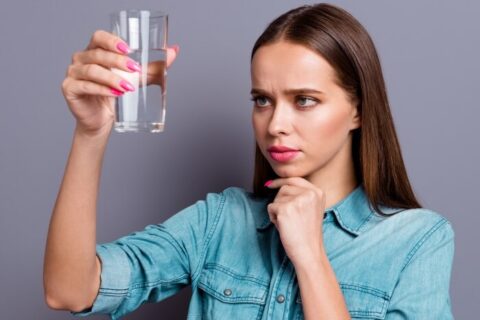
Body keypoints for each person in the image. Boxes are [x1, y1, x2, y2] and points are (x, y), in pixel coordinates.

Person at [43, 3, 455, 319]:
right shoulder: (220, 221)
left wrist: (310, 255)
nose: (276, 124)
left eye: (304, 100)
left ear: (358, 110)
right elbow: (70, 290)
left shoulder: (417, 240)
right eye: (262, 100)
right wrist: (90, 134)